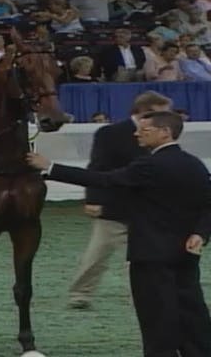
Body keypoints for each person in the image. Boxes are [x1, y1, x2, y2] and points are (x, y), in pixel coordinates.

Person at [27, 110, 211, 357]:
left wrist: (50, 167)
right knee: (192, 312)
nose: (136, 134)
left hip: (150, 255)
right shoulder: (195, 164)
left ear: (165, 132)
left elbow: (103, 179)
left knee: (156, 318)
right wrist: (200, 233)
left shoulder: (148, 165)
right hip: (186, 254)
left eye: (144, 130)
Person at [66, 91, 173, 309]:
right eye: (162, 112)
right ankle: (80, 294)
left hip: (147, 208)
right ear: (145, 111)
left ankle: (143, 297)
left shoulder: (164, 134)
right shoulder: (110, 134)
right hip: (115, 206)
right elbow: (97, 167)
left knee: (142, 258)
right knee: (96, 256)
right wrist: (93, 199)